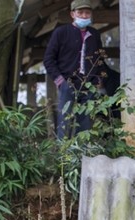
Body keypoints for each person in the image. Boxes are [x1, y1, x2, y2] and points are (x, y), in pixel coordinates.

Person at [43, 0, 105, 139]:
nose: (84, 15)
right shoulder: (61, 32)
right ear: (72, 14)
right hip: (67, 83)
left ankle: (81, 157)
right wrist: (60, 81)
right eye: (80, 12)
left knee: (86, 124)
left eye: (87, 12)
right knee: (64, 122)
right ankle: (63, 157)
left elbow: (99, 60)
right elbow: (48, 59)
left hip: (89, 85)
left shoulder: (94, 35)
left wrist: (98, 80)